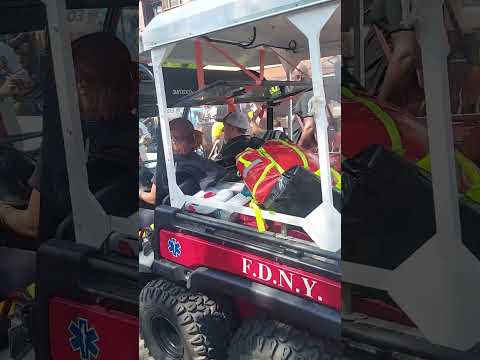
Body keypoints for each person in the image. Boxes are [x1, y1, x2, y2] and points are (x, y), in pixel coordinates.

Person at [0, 32, 137, 241]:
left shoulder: (68, 143)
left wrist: (4, 211)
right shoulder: (128, 132)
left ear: (81, 85)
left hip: (67, 252)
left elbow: (32, 225)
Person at [139, 117, 226, 207]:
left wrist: (140, 192)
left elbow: (153, 199)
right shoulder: (204, 164)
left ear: (171, 139)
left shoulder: (166, 166)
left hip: (166, 211)